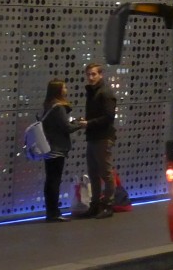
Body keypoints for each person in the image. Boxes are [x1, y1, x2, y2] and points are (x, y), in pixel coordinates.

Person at [78, 62, 118, 219]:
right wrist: (87, 122)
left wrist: (88, 123)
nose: (90, 77)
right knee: (93, 173)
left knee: (105, 173)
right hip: (94, 136)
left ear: (101, 75)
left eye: (94, 74)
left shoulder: (105, 92)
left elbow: (108, 117)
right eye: (88, 74)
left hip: (102, 137)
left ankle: (108, 205)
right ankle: (95, 204)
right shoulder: (93, 91)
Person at [40, 79, 83, 222]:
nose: (66, 89)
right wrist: (80, 124)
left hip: (48, 148)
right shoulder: (58, 107)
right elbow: (67, 128)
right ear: (58, 90)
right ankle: (54, 213)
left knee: (50, 181)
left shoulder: (49, 105)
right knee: (54, 181)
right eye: (64, 87)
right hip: (57, 149)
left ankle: (50, 212)